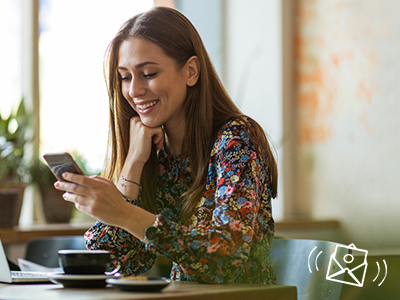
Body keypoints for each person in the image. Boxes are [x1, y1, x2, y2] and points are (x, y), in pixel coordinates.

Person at [54, 6, 278, 284]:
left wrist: (123, 211)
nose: (133, 90)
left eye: (148, 73)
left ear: (191, 72)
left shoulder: (236, 140)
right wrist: (133, 164)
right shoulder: (154, 153)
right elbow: (116, 261)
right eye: (125, 77)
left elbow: (224, 258)